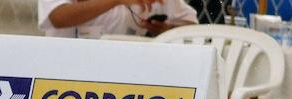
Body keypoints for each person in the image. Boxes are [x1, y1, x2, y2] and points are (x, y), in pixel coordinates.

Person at [38, 0, 197, 39]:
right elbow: (57, 17)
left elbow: (191, 25)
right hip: (67, 69)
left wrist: (166, 29)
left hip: (128, 74)